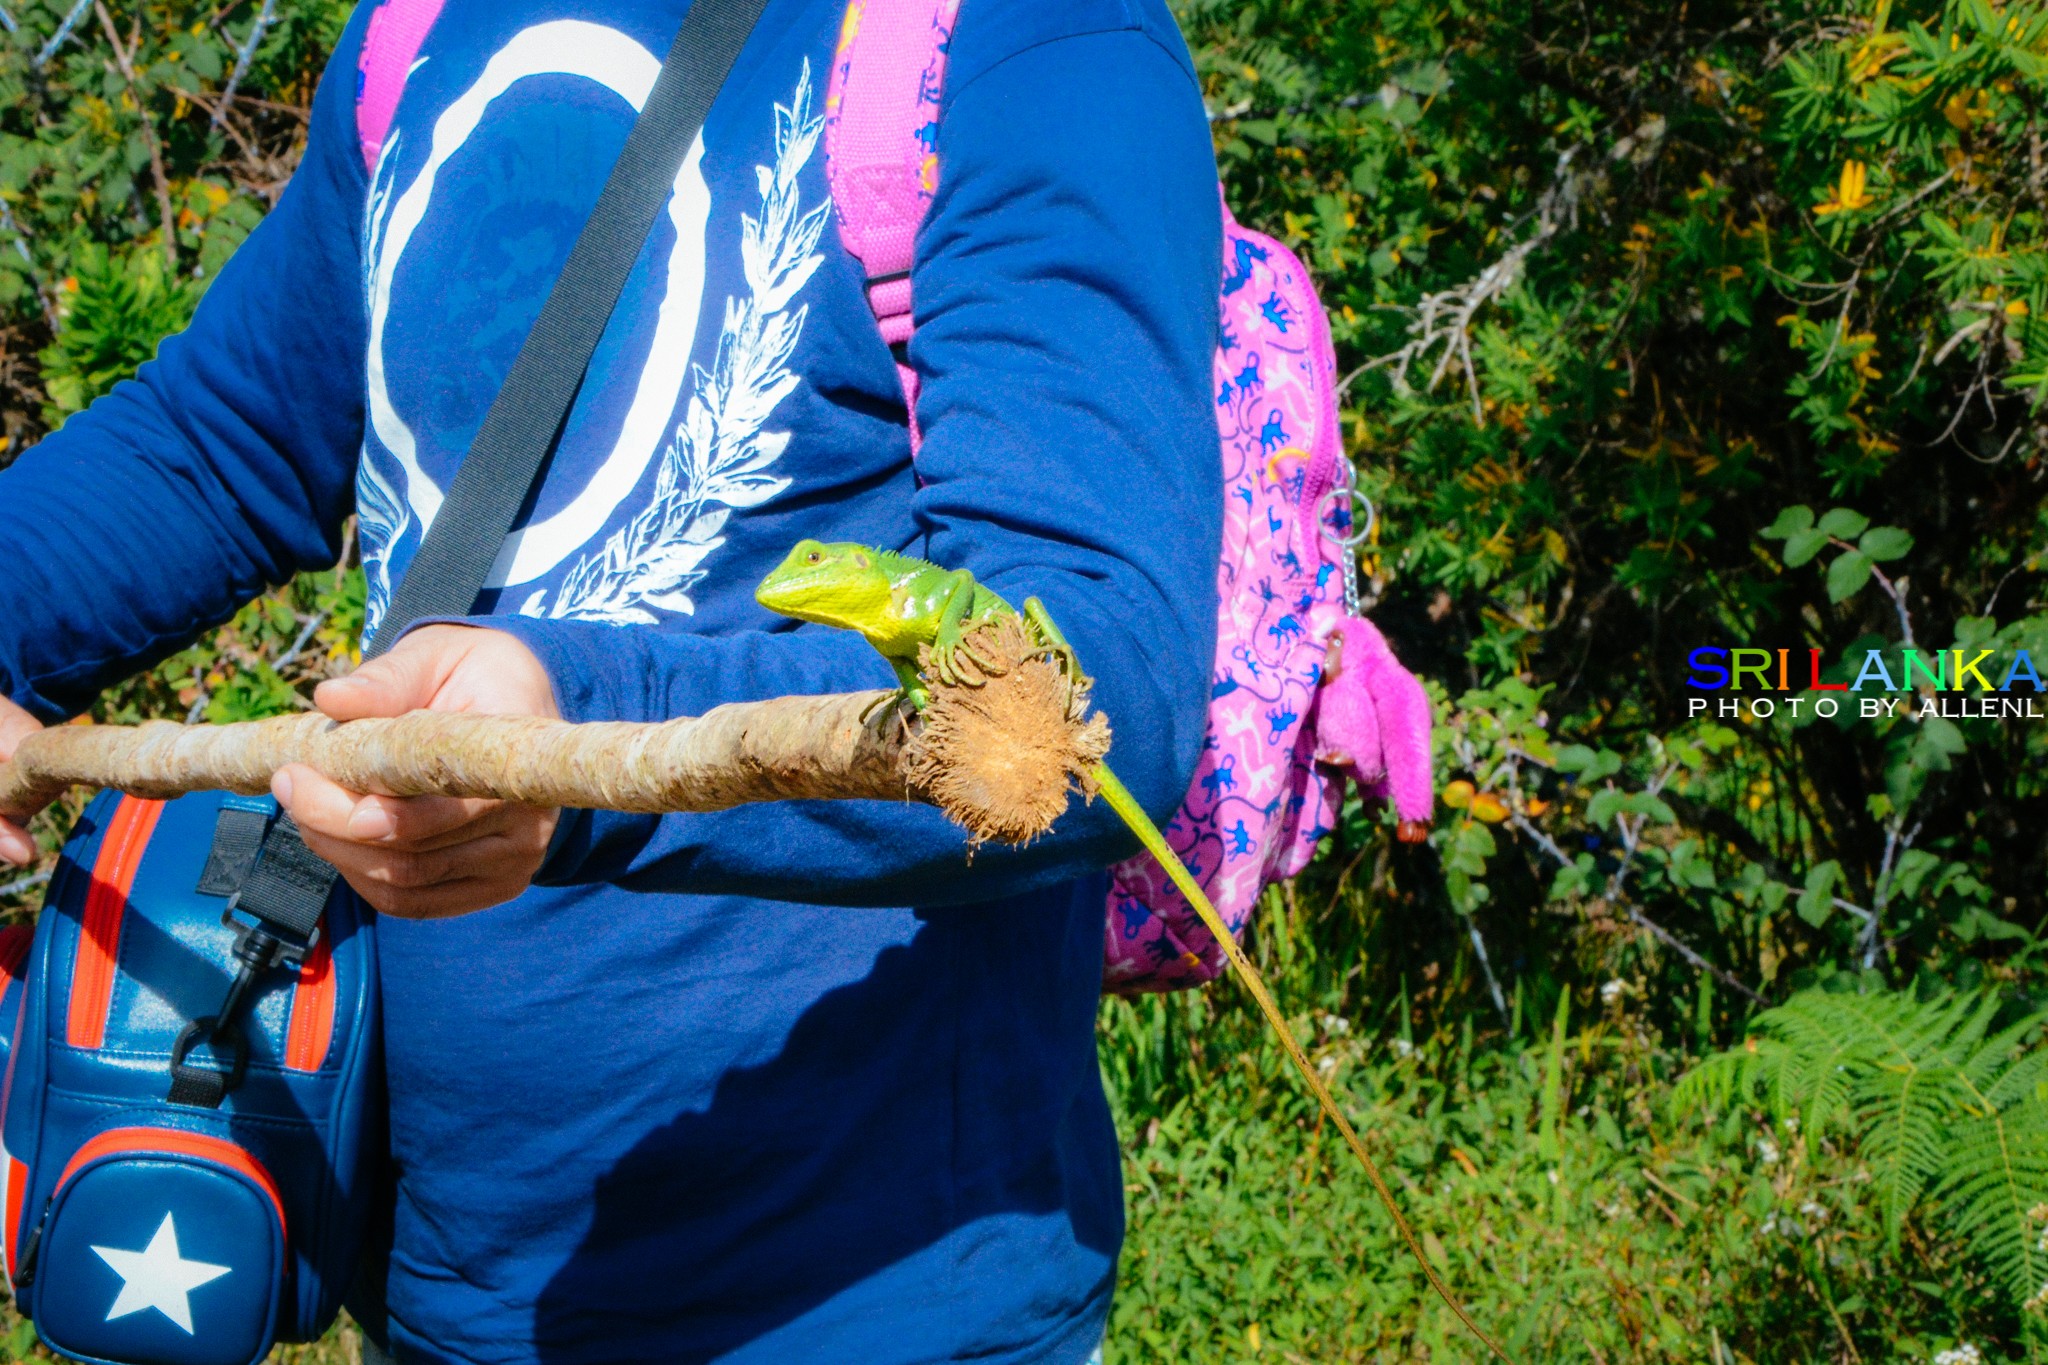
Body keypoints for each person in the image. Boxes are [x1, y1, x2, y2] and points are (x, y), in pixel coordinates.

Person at [0, 0, 1222, 1359]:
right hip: (450, 1288)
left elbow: (1098, 679)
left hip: (861, 1303)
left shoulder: (1018, 34)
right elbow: (222, 441)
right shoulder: (423, 27)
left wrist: (571, 748)